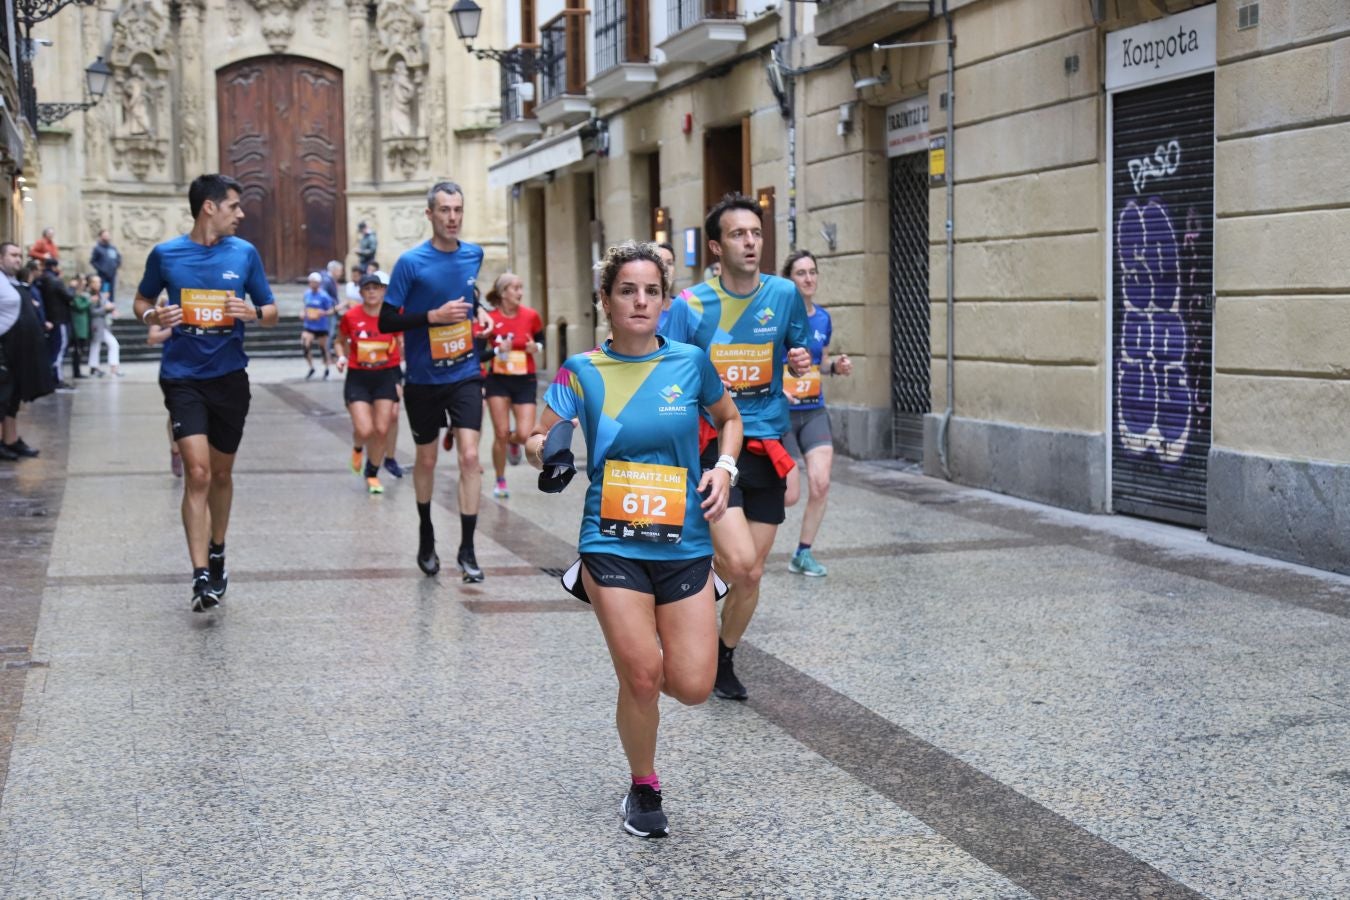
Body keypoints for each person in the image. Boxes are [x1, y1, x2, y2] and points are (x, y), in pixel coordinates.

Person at [525, 239, 742, 839]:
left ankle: (642, 671)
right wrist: (552, 451)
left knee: (694, 686)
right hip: (610, 540)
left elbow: (729, 419)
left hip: (684, 542)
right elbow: (538, 437)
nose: (640, 301)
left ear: (665, 300)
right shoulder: (581, 370)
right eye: (627, 290)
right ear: (606, 300)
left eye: (651, 291)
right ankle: (644, 788)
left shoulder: (690, 363)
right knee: (644, 674)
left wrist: (724, 469)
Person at [660, 193, 812, 702]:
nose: (750, 242)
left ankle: (724, 654)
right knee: (743, 563)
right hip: (711, 442)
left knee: (747, 575)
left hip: (767, 438)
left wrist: (800, 362)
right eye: (738, 234)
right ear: (716, 246)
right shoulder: (691, 306)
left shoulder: (785, 294)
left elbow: (798, 352)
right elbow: (664, 367)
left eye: (756, 233)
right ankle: (690, 626)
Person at [132, 173, 279, 612]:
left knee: (220, 474)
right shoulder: (166, 254)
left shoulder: (245, 253)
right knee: (196, 473)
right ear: (209, 207)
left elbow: (271, 311)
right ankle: (200, 575)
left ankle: (218, 549)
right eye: (234, 205)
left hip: (230, 377)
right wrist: (153, 316)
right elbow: (141, 302)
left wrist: (253, 313)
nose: (241, 213)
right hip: (182, 376)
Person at [378, 180, 492, 581]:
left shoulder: (473, 255)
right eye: (444, 210)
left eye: (458, 210)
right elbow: (386, 320)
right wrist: (431, 317)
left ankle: (468, 548)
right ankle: (426, 534)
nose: (453, 218)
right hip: (424, 379)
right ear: (430, 215)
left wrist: (480, 315)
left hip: (464, 372)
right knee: (426, 459)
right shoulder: (411, 263)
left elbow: (469, 297)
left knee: (471, 457)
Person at [779, 250, 853, 576]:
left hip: (813, 411)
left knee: (821, 483)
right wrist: (775, 389)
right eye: (800, 273)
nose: (808, 278)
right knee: (786, 493)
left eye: (812, 272)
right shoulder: (775, 318)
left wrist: (834, 366)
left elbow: (816, 361)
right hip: (779, 413)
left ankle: (803, 553)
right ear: (789, 279)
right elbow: (762, 363)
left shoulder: (823, 318)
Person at [336, 270, 402, 494]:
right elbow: (339, 340)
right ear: (361, 291)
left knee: (382, 429)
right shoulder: (351, 316)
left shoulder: (393, 315)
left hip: (385, 376)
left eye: (376, 287)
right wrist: (342, 356)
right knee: (365, 430)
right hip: (358, 377)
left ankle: (372, 472)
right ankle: (357, 447)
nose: (372, 292)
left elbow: (401, 340)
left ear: (383, 290)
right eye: (367, 288)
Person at [482, 272, 543, 499]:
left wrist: (536, 347)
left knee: (525, 433)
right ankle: (500, 479)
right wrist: (498, 350)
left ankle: (514, 443)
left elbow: (540, 340)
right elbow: (480, 354)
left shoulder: (531, 316)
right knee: (500, 432)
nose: (520, 292)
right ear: (502, 292)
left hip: (524, 380)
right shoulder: (489, 318)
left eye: (520, 287)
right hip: (498, 380)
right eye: (515, 288)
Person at [0, 242, 54, 460]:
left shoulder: (12, 282)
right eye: (13, 255)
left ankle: (10, 440)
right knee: (1, 396)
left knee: (13, 396)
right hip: (3, 347)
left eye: (19, 255)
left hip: (18, 349)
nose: (18, 259)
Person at [146, 321, 183, 477]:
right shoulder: (166, 307)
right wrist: (176, 328)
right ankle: (176, 451)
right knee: (177, 412)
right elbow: (152, 338)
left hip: (206, 369)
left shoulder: (205, 300)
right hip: (174, 372)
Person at [36, 259, 75, 391]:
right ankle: (56, 379)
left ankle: (51, 378)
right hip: (60, 319)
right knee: (59, 349)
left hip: (51, 319)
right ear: (54, 267)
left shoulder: (41, 280)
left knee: (53, 349)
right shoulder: (55, 281)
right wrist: (72, 287)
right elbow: (69, 297)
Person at [300, 271, 335, 379]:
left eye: (315, 282)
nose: (313, 284)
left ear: (319, 283)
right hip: (309, 325)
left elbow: (331, 310)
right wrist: (302, 313)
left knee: (323, 348)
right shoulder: (307, 294)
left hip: (321, 325)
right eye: (311, 282)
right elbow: (305, 307)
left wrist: (323, 312)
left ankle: (327, 368)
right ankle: (311, 367)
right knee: (305, 344)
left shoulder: (324, 296)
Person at [87, 273, 122, 377]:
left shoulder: (100, 294)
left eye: (99, 282)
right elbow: (92, 311)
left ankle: (114, 368)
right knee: (95, 345)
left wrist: (111, 309)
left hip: (103, 324)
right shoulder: (88, 295)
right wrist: (105, 308)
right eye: (95, 282)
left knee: (113, 344)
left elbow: (104, 307)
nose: (98, 284)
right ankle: (94, 368)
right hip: (95, 324)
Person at [89, 229, 122, 303]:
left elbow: (118, 257)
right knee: (103, 290)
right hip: (102, 274)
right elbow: (93, 261)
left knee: (111, 290)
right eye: (105, 235)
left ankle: (111, 305)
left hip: (112, 273)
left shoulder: (112, 248)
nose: (107, 237)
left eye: (108, 235)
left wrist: (116, 265)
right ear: (101, 237)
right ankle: (103, 305)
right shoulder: (97, 248)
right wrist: (101, 269)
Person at [69, 274, 90, 379]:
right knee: (77, 351)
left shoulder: (83, 294)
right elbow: (79, 306)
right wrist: (89, 301)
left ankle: (78, 371)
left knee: (81, 350)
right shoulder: (75, 294)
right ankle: (76, 372)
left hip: (83, 326)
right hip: (78, 326)